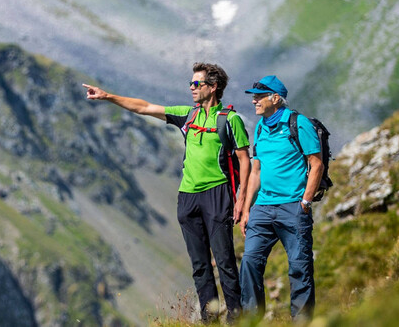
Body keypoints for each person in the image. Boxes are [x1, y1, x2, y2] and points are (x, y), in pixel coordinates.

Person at [83, 63, 250, 322]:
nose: (191, 88)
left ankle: (237, 319)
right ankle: (210, 320)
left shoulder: (230, 120)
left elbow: (244, 159)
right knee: (200, 266)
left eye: (197, 84)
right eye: (190, 84)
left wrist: (242, 201)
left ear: (213, 87)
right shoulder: (188, 115)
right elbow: (145, 107)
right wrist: (108, 97)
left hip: (217, 194)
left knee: (225, 261)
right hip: (187, 197)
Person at [239, 75, 323, 320]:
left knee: (299, 269)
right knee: (250, 264)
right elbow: (256, 170)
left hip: (293, 207)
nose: (254, 100)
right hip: (263, 208)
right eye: (253, 96)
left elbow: (315, 164)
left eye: (259, 96)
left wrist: (305, 203)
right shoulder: (260, 127)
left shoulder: (299, 123)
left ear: (275, 98)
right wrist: (246, 210)